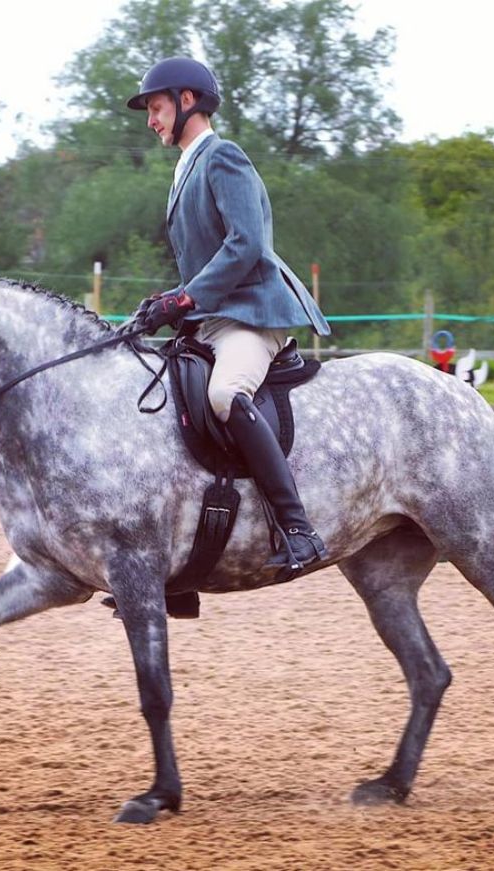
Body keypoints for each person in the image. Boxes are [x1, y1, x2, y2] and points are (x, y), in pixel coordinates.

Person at [127, 57, 332, 577]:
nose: (152, 121)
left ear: (186, 100)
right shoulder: (184, 167)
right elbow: (205, 260)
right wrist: (166, 301)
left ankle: (298, 528)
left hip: (251, 316)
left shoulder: (223, 158)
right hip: (212, 318)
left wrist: (187, 298)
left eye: (155, 108)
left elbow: (245, 246)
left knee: (224, 395)